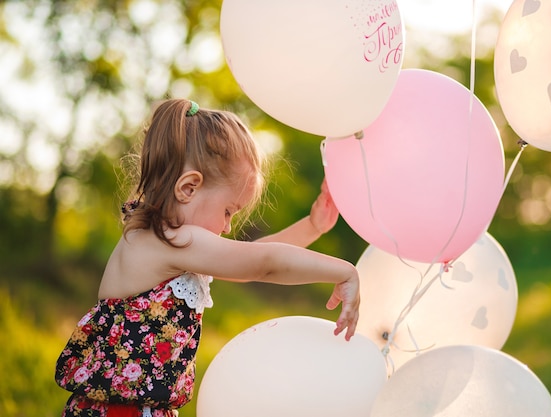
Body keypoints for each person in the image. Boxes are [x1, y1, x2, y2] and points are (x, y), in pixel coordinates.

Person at [55, 98, 360, 417]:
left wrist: (313, 226)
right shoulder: (172, 240)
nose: (228, 227)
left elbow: (251, 258)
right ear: (188, 188)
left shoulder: (163, 239)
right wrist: (344, 271)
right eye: (228, 211)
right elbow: (262, 262)